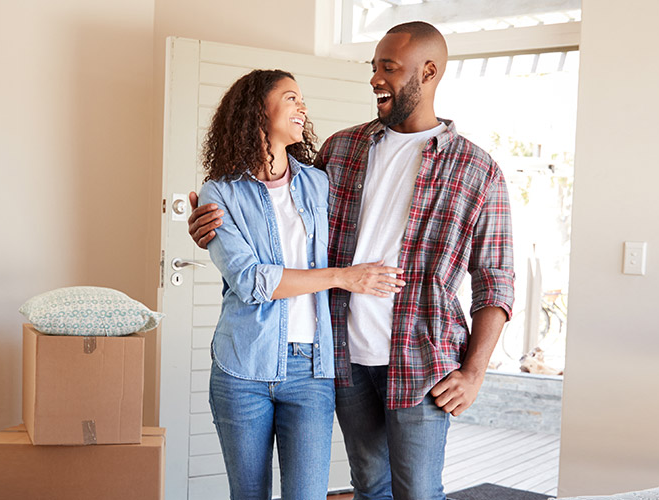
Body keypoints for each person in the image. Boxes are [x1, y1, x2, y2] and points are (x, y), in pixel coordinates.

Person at [189, 22, 515, 500]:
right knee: (369, 487)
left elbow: (496, 280)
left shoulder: (477, 169)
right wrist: (211, 230)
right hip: (341, 358)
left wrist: (474, 372)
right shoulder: (341, 150)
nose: (375, 79)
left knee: (419, 492)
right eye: (374, 67)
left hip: (422, 360)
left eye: (389, 68)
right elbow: (278, 215)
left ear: (428, 72)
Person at [196, 68, 407, 500]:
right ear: (259, 109)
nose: (303, 107)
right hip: (243, 367)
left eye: (301, 99)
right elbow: (252, 281)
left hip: (311, 370)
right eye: (291, 98)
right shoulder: (220, 194)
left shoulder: (318, 183)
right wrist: (341, 278)